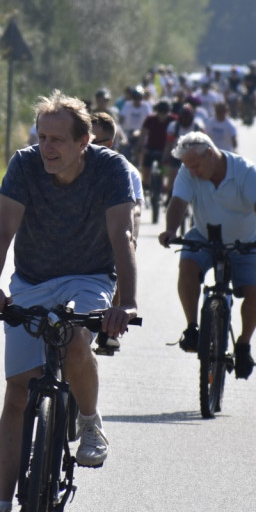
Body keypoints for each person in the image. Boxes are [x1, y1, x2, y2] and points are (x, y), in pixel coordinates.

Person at [0, 91, 138, 512]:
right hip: (32, 279)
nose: (47, 148)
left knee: (73, 341)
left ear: (85, 141)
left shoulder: (111, 171)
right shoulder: (25, 165)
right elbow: (3, 231)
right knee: (17, 392)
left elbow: (122, 238)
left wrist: (125, 304)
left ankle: (88, 421)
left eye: (58, 140)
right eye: (42, 137)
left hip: (89, 276)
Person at [157, 131, 256, 379]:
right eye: (188, 167)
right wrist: (171, 230)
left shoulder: (245, 171)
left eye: (195, 165)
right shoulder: (188, 171)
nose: (192, 172)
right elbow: (178, 203)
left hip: (245, 240)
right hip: (205, 234)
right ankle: (192, 327)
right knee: (187, 265)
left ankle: (244, 344)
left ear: (211, 154)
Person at [89, 111, 142, 355]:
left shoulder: (128, 172)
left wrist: (129, 243)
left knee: (118, 254)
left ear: (109, 144)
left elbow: (136, 213)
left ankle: (109, 330)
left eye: (93, 141)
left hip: (110, 233)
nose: (85, 145)